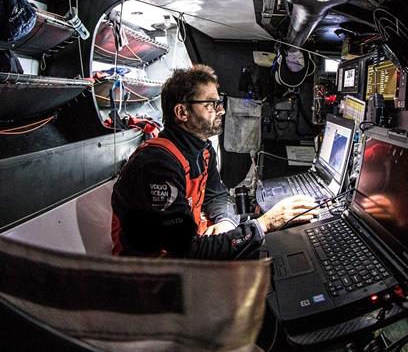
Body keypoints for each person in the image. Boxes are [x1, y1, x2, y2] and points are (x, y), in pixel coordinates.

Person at [111, 64, 318, 259]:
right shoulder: (156, 166)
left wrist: (226, 222)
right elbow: (186, 251)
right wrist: (264, 224)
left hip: (189, 244)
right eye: (211, 104)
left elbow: (217, 195)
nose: (221, 110)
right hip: (155, 268)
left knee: (285, 233)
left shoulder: (203, 150)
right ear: (182, 112)